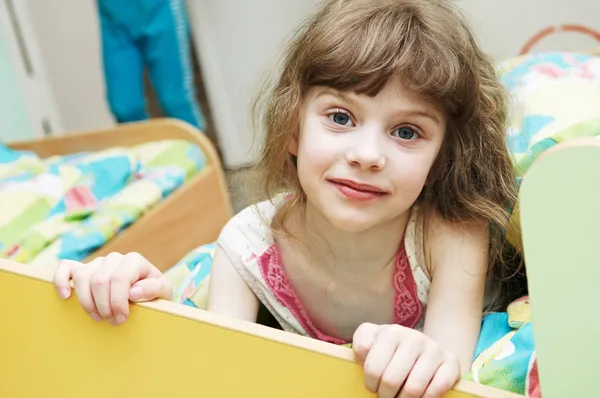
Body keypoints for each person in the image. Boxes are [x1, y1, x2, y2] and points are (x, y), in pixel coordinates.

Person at [53, 0, 519, 396]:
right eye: (340, 117)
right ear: (293, 127)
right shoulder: (247, 246)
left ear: (441, 159)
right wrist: (149, 304)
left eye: (406, 131)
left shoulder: (451, 230)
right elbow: (218, 375)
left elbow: (450, 367)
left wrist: (429, 357)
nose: (366, 155)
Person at [96, 0, 205, 130]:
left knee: (175, 101)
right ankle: (140, 149)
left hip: (161, 11)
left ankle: (196, 148)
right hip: (114, 20)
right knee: (124, 107)